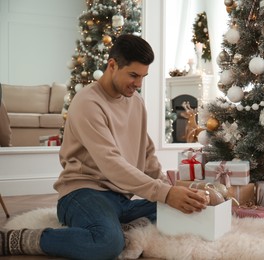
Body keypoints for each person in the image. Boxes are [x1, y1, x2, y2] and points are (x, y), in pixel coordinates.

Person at [0, 34, 207, 259]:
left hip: (121, 197)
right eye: (133, 75)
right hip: (84, 193)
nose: (138, 84)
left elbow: (146, 152)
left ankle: (117, 224)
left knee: (186, 211)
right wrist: (165, 194)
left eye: (143, 77)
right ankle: (20, 239)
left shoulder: (135, 101)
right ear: (112, 65)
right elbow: (111, 163)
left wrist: (168, 188)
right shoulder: (88, 103)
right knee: (107, 243)